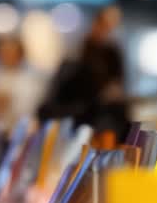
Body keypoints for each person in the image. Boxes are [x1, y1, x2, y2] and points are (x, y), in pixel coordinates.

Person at [37, 7, 129, 136]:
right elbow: (62, 84)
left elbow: (117, 84)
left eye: (112, 27)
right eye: (105, 25)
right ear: (96, 22)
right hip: (73, 112)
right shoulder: (79, 48)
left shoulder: (112, 53)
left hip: (99, 116)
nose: (108, 30)